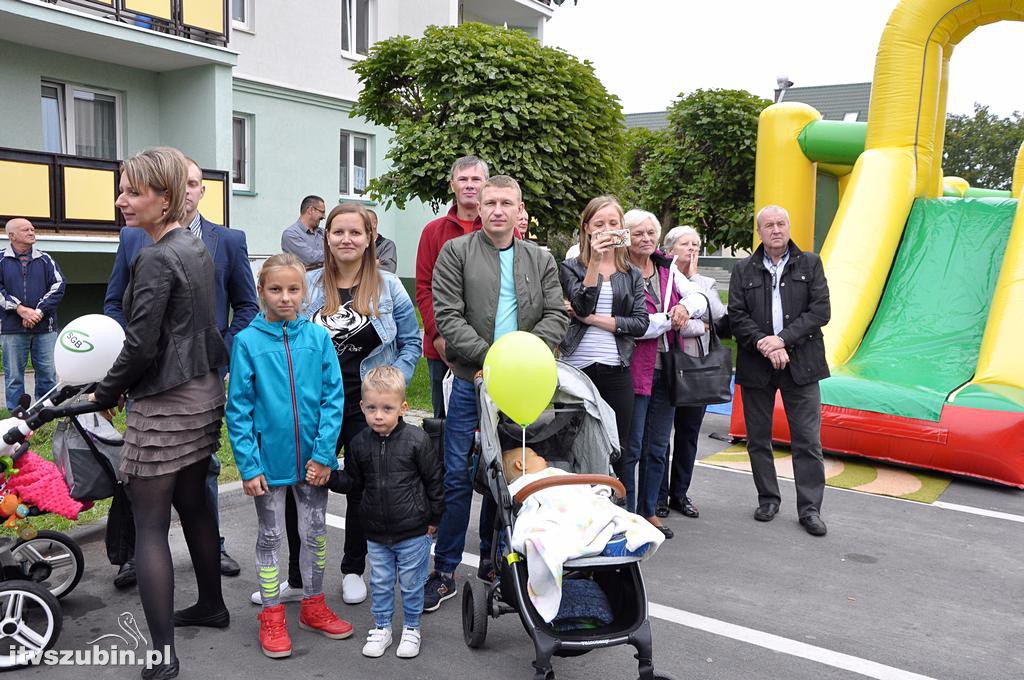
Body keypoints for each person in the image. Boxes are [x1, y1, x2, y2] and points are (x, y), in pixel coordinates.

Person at [92, 147, 230, 680]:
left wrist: (106, 390)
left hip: (167, 405)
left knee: (150, 527)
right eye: (122, 188)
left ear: (165, 197)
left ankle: (163, 655)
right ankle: (212, 605)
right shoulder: (191, 245)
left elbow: (142, 344)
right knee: (193, 503)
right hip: (201, 393)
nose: (121, 200)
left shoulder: (153, 255)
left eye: (133, 191)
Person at [104, 156, 259, 585]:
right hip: (151, 379)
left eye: (194, 183)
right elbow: (117, 303)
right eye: (183, 181)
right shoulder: (135, 239)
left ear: (194, 190)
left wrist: (220, 354)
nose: (188, 190)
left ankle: (209, 554)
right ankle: (137, 556)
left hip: (194, 381)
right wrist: (124, 353)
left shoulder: (223, 240)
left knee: (196, 479)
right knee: (150, 481)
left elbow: (245, 307)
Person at [264, 202, 420, 608]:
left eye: (356, 232)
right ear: (326, 237)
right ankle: (297, 579)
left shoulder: (390, 287)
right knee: (301, 483)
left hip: (365, 404)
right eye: (338, 232)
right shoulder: (309, 284)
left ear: (370, 238)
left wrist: (394, 383)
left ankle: (352, 568)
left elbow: (411, 341)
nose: (346, 239)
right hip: (313, 401)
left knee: (360, 487)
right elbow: (280, 333)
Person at [427, 174, 568, 611]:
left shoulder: (539, 259)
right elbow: (447, 317)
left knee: (509, 476)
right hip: (473, 381)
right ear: (480, 206)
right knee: (456, 476)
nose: (498, 210)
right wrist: (493, 361)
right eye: (491, 202)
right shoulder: (456, 252)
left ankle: (493, 561)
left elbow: (555, 316)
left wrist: (517, 361)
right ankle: (445, 568)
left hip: (522, 385)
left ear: (518, 209)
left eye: (507, 203)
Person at [226, 253, 352, 660]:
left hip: (313, 464)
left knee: (315, 533)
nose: (285, 297)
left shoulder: (318, 339)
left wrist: (324, 455)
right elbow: (239, 408)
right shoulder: (247, 342)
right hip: (268, 465)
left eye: (293, 289)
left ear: (305, 292)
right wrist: (249, 464)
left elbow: (335, 398)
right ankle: (272, 613)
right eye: (276, 289)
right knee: (271, 536)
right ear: (261, 291)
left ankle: (313, 605)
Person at [323, 366, 443, 659]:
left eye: (387, 408)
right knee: (381, 582)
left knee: (413, 585)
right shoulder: (358, 443)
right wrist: (329, 477)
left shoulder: (417, 440)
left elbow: (435, 481)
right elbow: (354, 483)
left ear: (403, 408)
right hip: (375, 532)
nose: (379, 415)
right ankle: (382, 627)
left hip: (413, 531)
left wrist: (434, 518)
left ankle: (412, 628)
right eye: (373, 408)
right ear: (362, 406)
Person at [728, 205, 831, 536]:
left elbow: (820, 311)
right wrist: (764, 344)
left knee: (807, 440)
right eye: (769, 225)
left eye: (781, 223)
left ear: (789, 227)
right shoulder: (743, 269)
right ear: (759, 232)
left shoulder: (810, 263)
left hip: (802, 363)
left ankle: (810, 509)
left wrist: (782, 341)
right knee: (758, 438)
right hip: (756, 364)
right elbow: (736, 315)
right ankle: (768, 499)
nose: (776, 229)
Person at [559, 196, 649, 513]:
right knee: (574, 447)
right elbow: (581, 303)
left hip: (616, 370)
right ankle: (576, 516)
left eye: (613, 223)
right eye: (599, 224)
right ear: (586, 229)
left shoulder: (632, 273)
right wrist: (595, 263)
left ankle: (620, 518)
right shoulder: (571, 267)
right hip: (576, 372)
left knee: (618, 449)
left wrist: (597, 320)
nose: (607, 230)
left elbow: (640, 323)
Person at [621, 210, 706, 538]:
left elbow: (697, 296)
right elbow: (635, 325)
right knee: (631, 447)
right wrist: (670, 319)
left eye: (650, 232)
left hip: (666, 371)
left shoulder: (666, 267)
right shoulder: (620, 269)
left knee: (657, 446)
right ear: (626, 236)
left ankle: (649, 510)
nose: (645, 238)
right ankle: (627, 513)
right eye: (638, 232)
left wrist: (686, 308)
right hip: (633, 372)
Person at [657, 225, 728, 520]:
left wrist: (695, 278)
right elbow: (674, 322)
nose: (692, 250)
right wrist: (701, 326)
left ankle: (680, 494)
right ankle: (657, 496)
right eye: (686, 244)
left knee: (688, 433)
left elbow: (719, 316)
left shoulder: (705, 282)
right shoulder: (661, 276)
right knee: (660, 437)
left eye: (697, 245)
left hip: (697, 368)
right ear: (670, 249)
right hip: (666, 365)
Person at [415, 155, 488, 418]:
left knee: (493, 424)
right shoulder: (433, 232)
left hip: (490, 345)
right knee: (445, 423)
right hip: (443, 349)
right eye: (463, 179)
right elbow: (424, 288)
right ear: (452, 185)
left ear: (486, 184)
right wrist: (438, 336)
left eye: (476, 179)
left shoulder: (503, 230)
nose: (469, 185)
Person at [0, 218, 65, 412]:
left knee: (48, 374)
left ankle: (46, 414)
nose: (31, 231)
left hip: (45, 327)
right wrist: (20, 309)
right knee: (14, 377)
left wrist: (37, 312)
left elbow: (59, 285)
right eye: (25, 229)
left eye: (32, 228)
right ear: (11, 235)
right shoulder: (1, 259)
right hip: (12, 328)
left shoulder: (46, 259)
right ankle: (17, 416)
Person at [281, 195, 327, 269]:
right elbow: (310, 258)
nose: (324, 216)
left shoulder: (322, 232)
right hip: (303, 280)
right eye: (322, 212)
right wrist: (333, 254)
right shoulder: (290, 234)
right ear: (310, 210)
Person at [366, 209, 398, 274]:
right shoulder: (356, 245)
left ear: (374, 224)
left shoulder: (387, 245)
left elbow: (389, 269)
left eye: (365, 222)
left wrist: (360, 263)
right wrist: (377, 262)